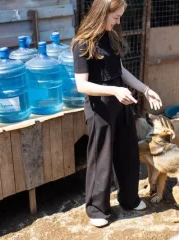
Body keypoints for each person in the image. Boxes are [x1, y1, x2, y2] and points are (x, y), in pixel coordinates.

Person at [71, 0, 162, 227]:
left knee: (128, 152)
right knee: (101, 157)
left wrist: (145, 90)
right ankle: (97, 210)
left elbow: (120, 71)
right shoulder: (82, 44)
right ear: (102, 14)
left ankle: (129, 199)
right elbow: (82, 86)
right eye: (115, 17)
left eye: (120, 16)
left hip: (120, 102)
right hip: (99, 106)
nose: (119, 21)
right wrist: (113, 90)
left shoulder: (110, 37)